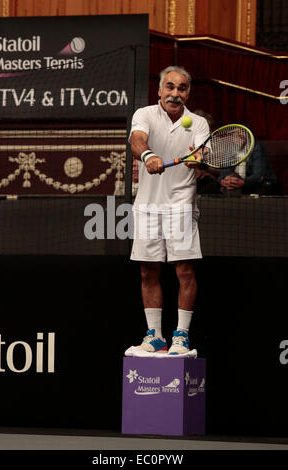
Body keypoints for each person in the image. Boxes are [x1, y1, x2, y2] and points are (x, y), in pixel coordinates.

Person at [127, 65, 210, 356]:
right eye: (170, 87)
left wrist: (198, 160)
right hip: (148, 206)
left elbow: (202, 154)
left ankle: (181, 336)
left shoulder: (197, 123)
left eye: (182, 88)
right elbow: (137, 140)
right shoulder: (145, 114)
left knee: (184, 271)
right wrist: (149, 155)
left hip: (181, 206)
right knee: (148, 270)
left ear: (188, 92)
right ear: (160, 90)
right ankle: (155, 336)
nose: (176, 93)